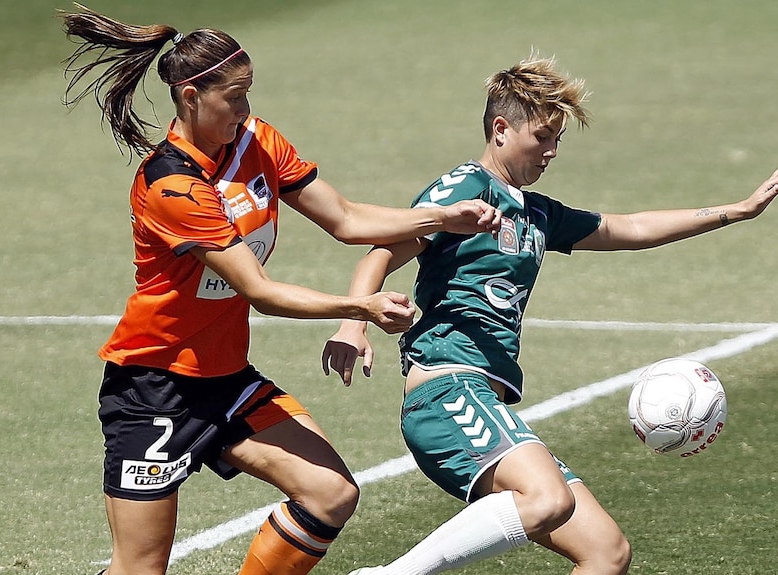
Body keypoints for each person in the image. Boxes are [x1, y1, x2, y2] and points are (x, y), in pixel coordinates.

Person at [59, 5, 502, 575]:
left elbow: (344, 219)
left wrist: (439, 218)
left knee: (331, 493)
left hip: (225, 381)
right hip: (153, 389)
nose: (246, 109)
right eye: (234, 97)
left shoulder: (256, 142)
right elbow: (259, 291)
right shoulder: (172, 185)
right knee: (140, 568)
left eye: (249, 95)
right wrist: (358, 307)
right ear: (191, 96)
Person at [322, 53, 778, 575]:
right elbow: (382, 251)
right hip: (448, 392)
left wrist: (738, 209)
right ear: (501, 129)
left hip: (488, 397)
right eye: (543, 137)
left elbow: (630, 229)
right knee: (547, 499)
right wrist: (354, 321)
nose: (551, 152)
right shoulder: (464, 190)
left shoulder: (536, 213)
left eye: (558, 141)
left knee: (605, 552)